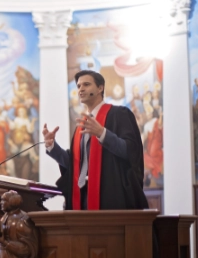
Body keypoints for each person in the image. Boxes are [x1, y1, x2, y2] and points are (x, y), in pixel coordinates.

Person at [43, 70, 148, 210]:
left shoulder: (120, 114)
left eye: (86, 84)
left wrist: (102, 133)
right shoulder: (82, 124)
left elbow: (131, 151)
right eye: (79, 86)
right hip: (82, 197)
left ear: (100, 88)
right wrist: (53, 148)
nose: (81, 89)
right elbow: (75, 164)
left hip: (111, 196)